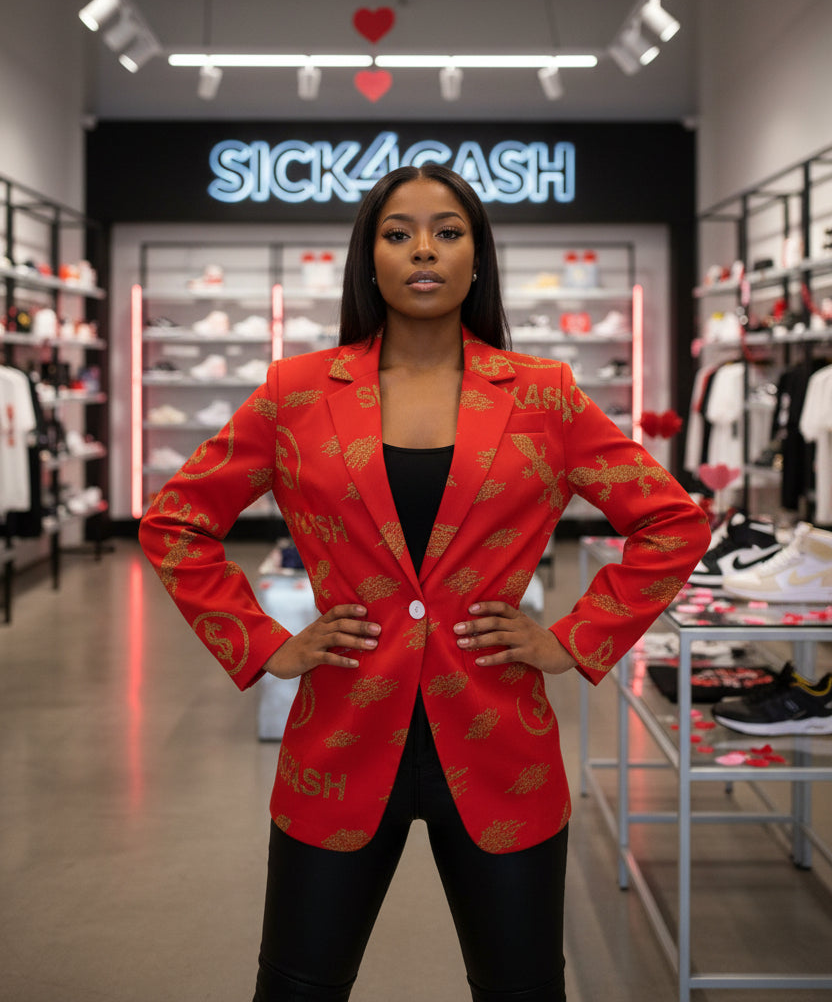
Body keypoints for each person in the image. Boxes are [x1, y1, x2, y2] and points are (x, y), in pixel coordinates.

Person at [139, 165, 710, 1001]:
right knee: (296, 986)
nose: (423, 251)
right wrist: (264, 642)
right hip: (337, 741)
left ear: (477, 256)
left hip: (499, 742)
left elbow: (672, 520)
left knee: (521, 988)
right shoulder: (295, 394)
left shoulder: (543, 399)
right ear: (368, 258)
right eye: (398, 233)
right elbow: (176, 519)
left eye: (447, 231)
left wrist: (570, 640)